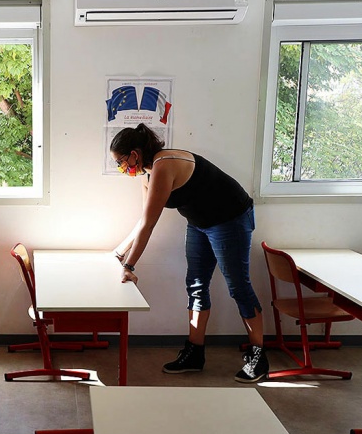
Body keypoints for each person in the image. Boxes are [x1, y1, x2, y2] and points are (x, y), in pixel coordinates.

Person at [110, 123, 268, 383]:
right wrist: (118, 253)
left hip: (231, 220)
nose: (121, 168)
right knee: (195, 285)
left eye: (121, 162)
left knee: (239, 287)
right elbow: (143, 220)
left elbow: (150, 225)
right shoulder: (147, 176)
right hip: (199, 223)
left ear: (135, 154)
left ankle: (258, 357)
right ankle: (195, 353)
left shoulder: (165, 164)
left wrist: (130, 266)